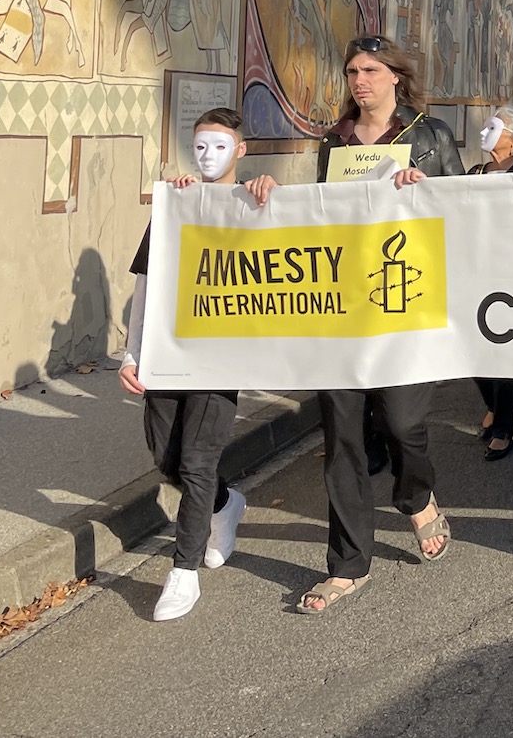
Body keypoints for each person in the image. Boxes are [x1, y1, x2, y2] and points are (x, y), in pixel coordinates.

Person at [299, 36, 461, 615]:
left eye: (369, 70)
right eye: (351, 71)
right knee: (342, 438)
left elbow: (464, 210)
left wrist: (427, 193)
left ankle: (415, 497)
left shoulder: (430, 135)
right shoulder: (334, 141)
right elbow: (317, 212)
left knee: (402, 421)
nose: (359, 80)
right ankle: (347, 566)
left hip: (408, 301)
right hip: (343, 305)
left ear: (395, 76)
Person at [119, 107, 274, 620]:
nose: (208, 156)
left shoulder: (255, 203)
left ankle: (182, 572)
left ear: (241, 151)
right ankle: (225, 505)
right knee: (166, 458)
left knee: (197, 462)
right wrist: (133, 352)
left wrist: (271, 198)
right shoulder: (175, 204)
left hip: (221, 354)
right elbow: (146, 286)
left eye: (220, 146)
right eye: (200, 146)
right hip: (170, 350)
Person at [470, 105, 513, 461]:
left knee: (504, 354)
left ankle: (503, 430)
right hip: (475, 270)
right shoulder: (474, 173)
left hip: (512, 275)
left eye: (493, 127)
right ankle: (493, 406)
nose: (484, 132)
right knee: (475, 352)